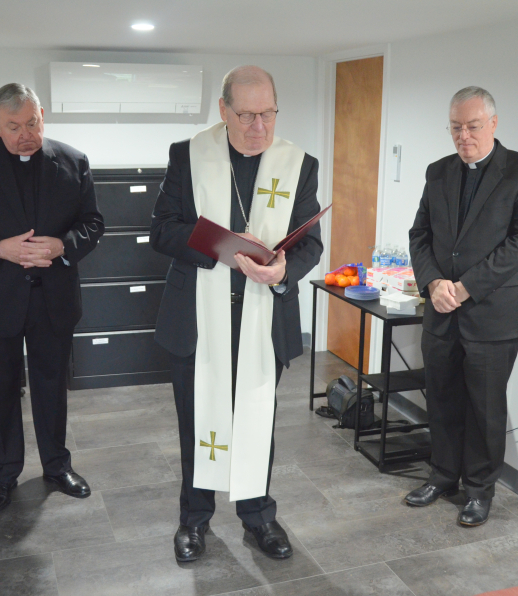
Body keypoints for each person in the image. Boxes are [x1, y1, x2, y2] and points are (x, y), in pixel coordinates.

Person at [151, 65, 323, 562]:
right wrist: (222, 248)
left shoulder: (298, 164)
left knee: (256, 421)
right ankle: (194, 519)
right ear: (223, 110)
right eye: (245, 114)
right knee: (197, 422)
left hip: (264, 321)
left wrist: (285, 268)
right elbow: (163, 230)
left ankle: (258, 517)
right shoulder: (189, 156)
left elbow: (311, 242)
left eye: (267, 113)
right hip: (197, 321)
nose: (257, 126)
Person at [0, 83, 104, 513]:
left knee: (52, 386)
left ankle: (57, 466)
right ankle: (5, 474)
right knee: (1, 389)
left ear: (42, 115)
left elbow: (93, 223)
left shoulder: (73, 161)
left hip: (53, 297)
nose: (25, 134)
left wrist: (63, 245)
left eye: (32, 123)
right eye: (13, 127)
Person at [406, 86, 518, 526]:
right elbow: (420, 235)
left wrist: (463, 287)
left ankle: (480, 490)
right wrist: (432, 283)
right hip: (441, 310)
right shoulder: (438, 171)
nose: (463, 135)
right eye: (455, 127)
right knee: (443, 398)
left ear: (493, 124)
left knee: (485, 408)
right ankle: (443, 475)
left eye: (472, 126)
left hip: (492, 315)